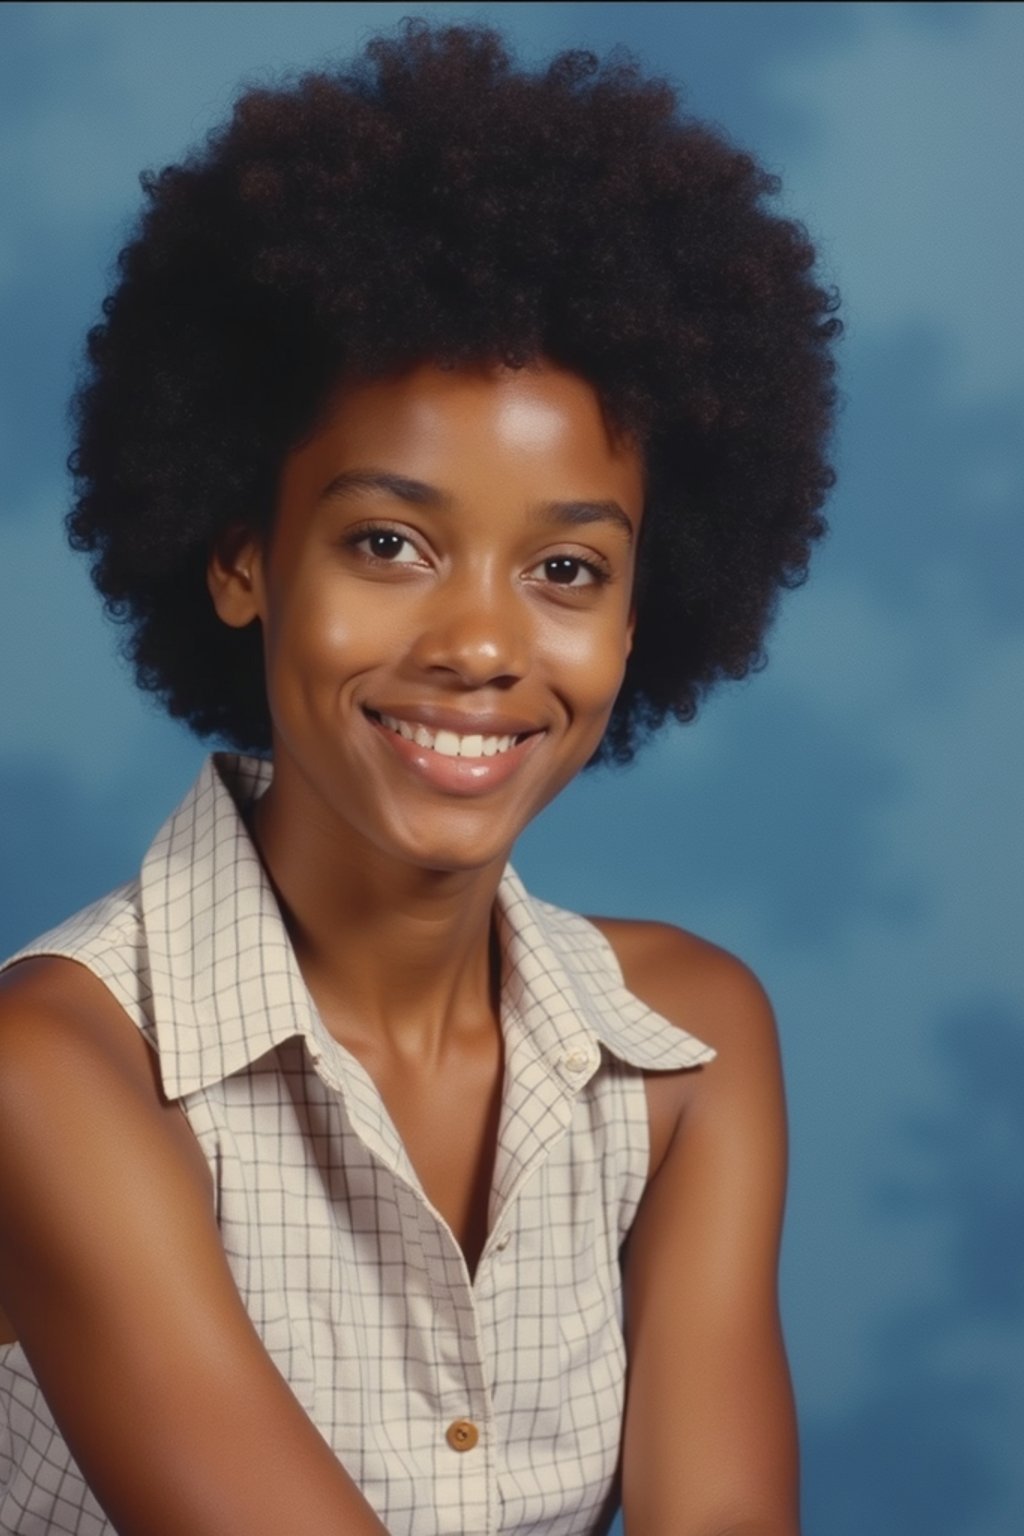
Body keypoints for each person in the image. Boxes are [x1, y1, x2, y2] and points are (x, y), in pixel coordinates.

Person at [0, 19, 839, 1536]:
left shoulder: (684, 1054)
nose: (479, 644)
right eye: (389, 542)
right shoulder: (51, 1071)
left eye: (567, 567)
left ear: (643, 614)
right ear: (245, 553)